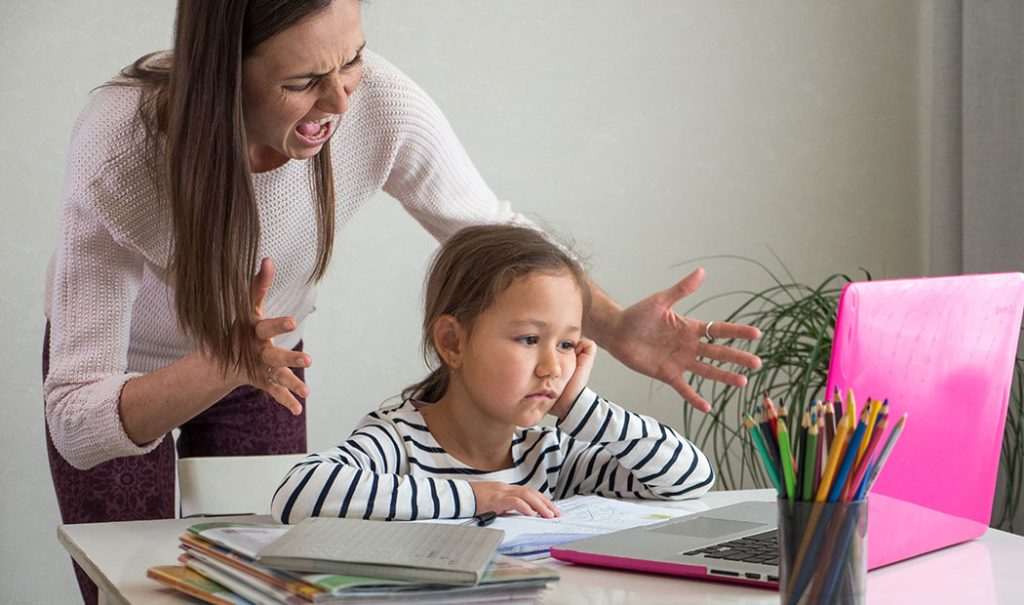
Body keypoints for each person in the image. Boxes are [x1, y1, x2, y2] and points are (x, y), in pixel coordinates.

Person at [43, 1, 758, 601]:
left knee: (273, 580)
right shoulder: (123, 153)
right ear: (220, 74)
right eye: (303, 81)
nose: (343, 99)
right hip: (131, 378)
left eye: (353, 60)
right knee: (132, 580)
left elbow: (492, 232)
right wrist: (220, 363)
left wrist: (609, 323)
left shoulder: (375, 100)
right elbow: (77, 419)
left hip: (265, 356)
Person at [271, 225, 715, 523]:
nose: (553, 366)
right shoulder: (399, 441)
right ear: (453, 342)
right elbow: (299, 494)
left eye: (566, 344)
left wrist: (583, 410)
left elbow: (689, 478)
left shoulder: (552, 455)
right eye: (528, 339)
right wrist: (478, 496)